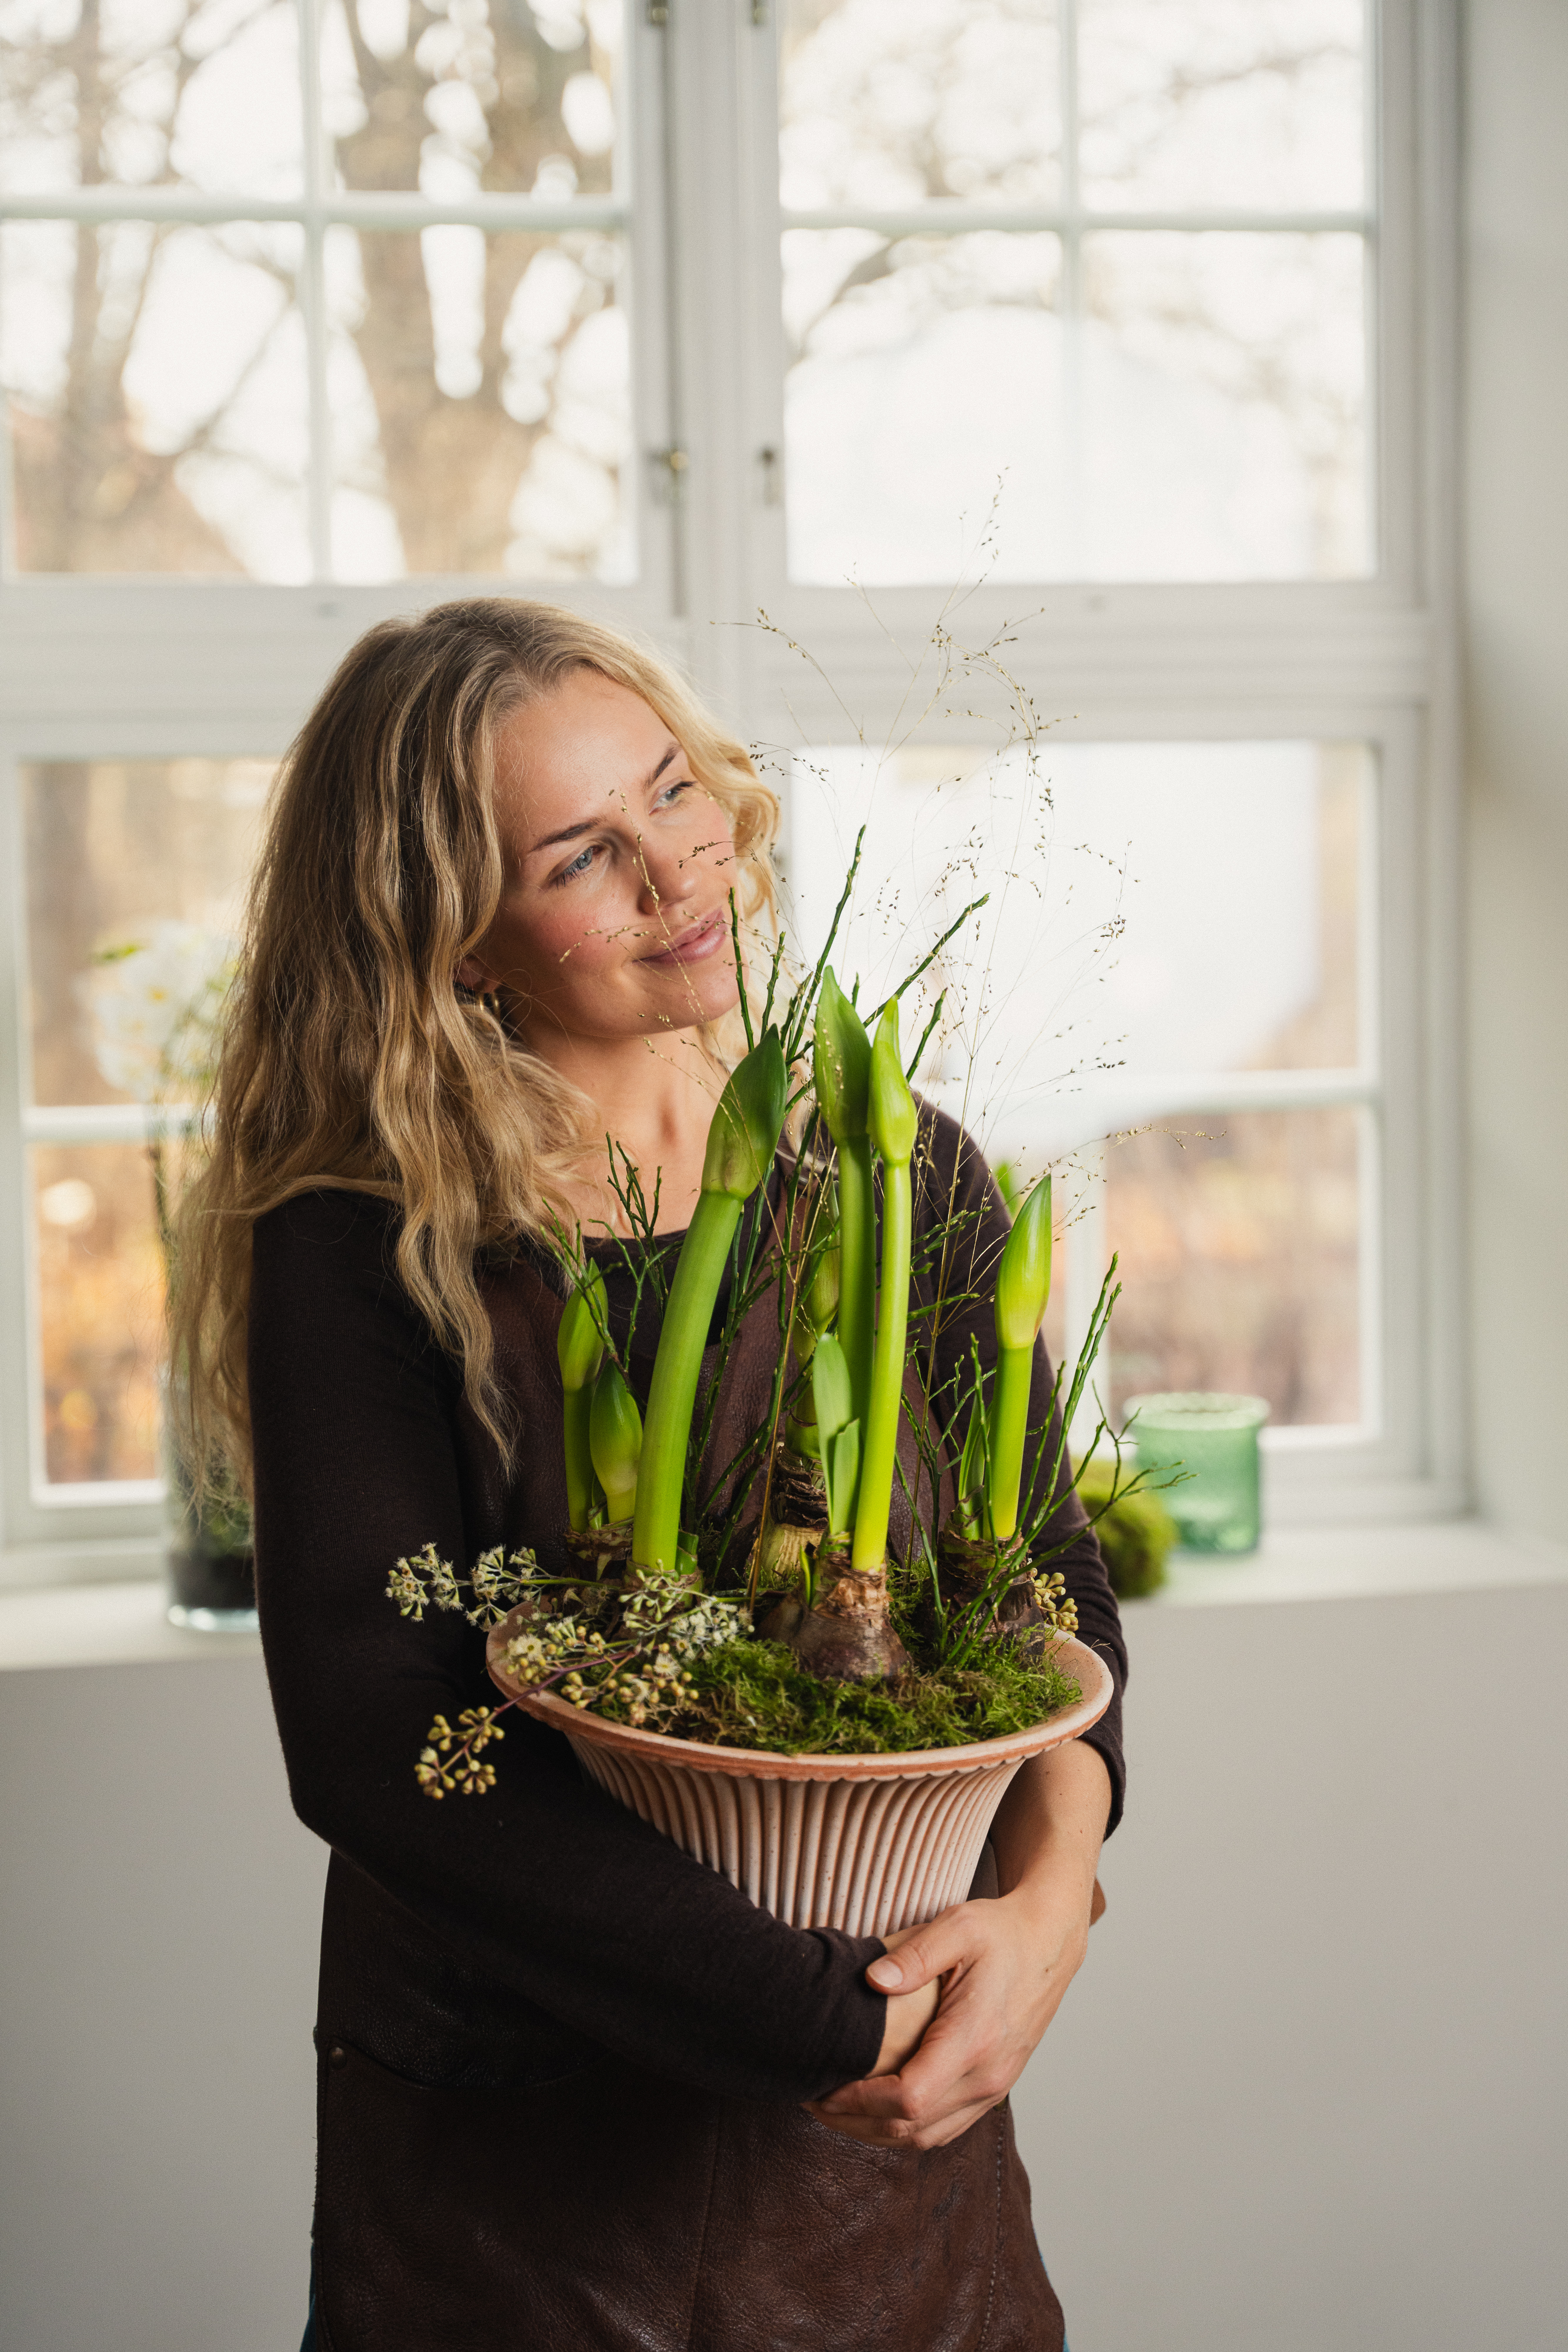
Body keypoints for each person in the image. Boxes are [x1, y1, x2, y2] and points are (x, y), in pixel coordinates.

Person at [172, 598, 1127, 2352]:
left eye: (674, 794)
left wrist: (1050, 1905)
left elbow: (1044, 1584)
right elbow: (378, 1747)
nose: (677, 871)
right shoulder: (373, 1246)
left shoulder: (894, 1164)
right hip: (534, 2163)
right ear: (454, 936)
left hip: (896, 2133)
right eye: (581, 856)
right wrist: (848, 2027)